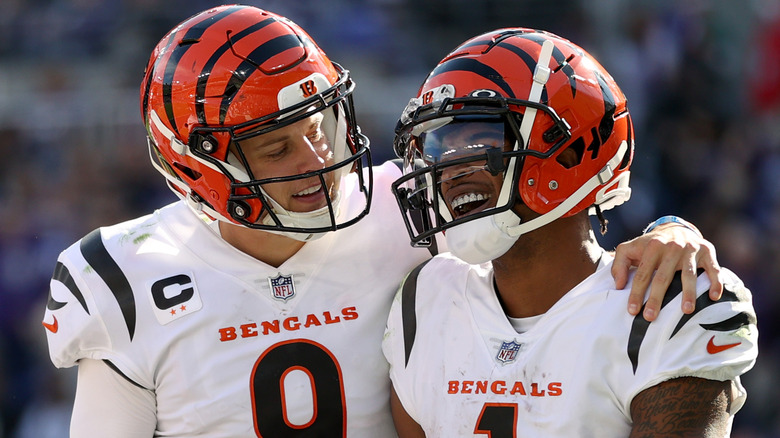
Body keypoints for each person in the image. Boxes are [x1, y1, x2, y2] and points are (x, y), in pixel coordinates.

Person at [42, 6, 726, 437]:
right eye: (276, 147)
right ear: (201, 164)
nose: (317, 160)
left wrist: (673, 230)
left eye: (319, 126)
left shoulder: (410, 204)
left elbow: (568, 208)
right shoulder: (127, 274)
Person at [382, 28, 759, 437]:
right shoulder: (428, 298)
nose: (447, 171)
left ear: (569, 151)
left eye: (477, 142)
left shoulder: (666, 302)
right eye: (437, 151)